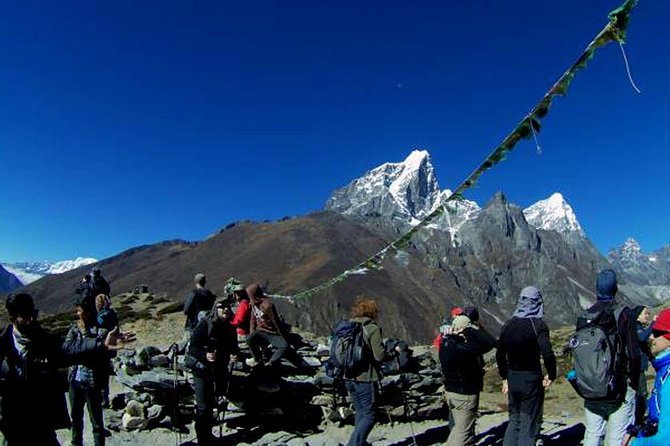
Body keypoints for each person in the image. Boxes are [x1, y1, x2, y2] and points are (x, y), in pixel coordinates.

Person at [0, 293, 134, 445]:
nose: (31, 319)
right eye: (25, 316)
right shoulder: (2, 347)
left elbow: (71, 349)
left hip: (42, 425)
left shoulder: (45, 341)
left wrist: (101, 345)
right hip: (13, 427)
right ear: (12, 318)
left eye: (33, 314)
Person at [581, 269, 640, 446]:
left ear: (596, 289)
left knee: (592, 434)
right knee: (617, 436)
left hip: (590, 386)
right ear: (615, 288)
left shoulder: (585, 316)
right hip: (618, 386)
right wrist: (634, 383)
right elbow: (634, 353)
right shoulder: (623, 314)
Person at [496, 286, 556, 446]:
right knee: (528, 423)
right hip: (531, 379)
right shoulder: (538, 325)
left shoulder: (508, 325)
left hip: (513, 377)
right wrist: (551, 375)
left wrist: (504, 377)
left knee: (514, 420)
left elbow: (499, 354)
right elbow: (548, 353)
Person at [65, 296, 120, 446]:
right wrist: (88, 346)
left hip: (92, 382)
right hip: (74, 379)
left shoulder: (100, 331)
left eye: (79, 311)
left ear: (87, 313)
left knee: (96, 421)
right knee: (75, 418)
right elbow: (68, 349)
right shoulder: (74, 329)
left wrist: (84, 337)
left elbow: (94, 353)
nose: (77, 314)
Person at [187, 298, 240, 445]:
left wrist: (234, 355)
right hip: (201, 370)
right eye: (222, 307)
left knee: (210, 406)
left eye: (228, 307)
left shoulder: (230, 328)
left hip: (217, 371)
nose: (225, 310)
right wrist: (205, 355)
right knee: (203, 408)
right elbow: (193, 348)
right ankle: (202, 440)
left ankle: (207, 437)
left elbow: (234, 348)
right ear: (215, 308)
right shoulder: (205, 323)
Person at [440, 314, 496, 446]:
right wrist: (475, 330)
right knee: (464, 433)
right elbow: (489, 343)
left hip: (451, 391)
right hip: (465, 393)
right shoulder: (466, 348)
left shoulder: (446, 343)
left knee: (457, 428)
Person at [622, 307, 670, 445]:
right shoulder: (663, 370)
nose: (651, 337)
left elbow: (666, 440)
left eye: (656, 332)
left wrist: (634, 443)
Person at [342, 297, 385, 446]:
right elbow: (379, 356)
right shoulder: (372, 328)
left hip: (348, 376)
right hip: (365, 377)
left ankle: (359, 442)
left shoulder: (348, 326)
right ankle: (355, 444)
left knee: (360, 411)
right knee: (369, 415)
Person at [246, 283, 306, 369]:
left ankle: (271, 363)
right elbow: (253, 319)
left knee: (283, 346)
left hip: (271, 331)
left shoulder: (267, 306)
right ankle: (257, 359)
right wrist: (252, 333)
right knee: (249, 339)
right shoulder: (253, 303)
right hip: (260, 331)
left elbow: (275, 322)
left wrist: (282, 335)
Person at [95, 294, 119, 408]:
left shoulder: (102, 316)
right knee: (104, 374)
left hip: (102, 346)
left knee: (100, 373)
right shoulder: (112, 313)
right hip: (110, 346)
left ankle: (102, 398)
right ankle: (104, 397)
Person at [633, 305, 653, 426]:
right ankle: (638, 422)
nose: (647, 316)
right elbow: (642, 338)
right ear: (638, 316)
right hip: (637, 367)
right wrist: (653, 324)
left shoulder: (637, 327)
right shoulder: (636, 327)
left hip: (639, 367)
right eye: (645, 314)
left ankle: (638, 419)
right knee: (641, 394)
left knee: (640, 394)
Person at [183, 273, 217, 339]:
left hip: (194, 323)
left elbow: (186, 310)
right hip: (207, 323)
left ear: (195, 282)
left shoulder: (194, 293)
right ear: (205, 282)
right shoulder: (210, 294)